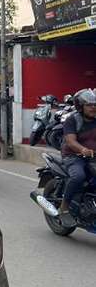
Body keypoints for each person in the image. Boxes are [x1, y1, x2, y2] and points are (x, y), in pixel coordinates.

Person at [58, 88, 96, 225]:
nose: (93, 107)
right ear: (80, 106)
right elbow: (70, 141)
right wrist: (83, 149)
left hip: (93, 157)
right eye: (89, 105)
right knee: (78, 176)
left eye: (95, 105)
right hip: (74, 156)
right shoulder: (72, 120)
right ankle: (64, 207)